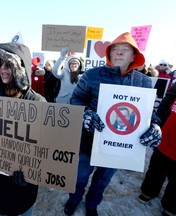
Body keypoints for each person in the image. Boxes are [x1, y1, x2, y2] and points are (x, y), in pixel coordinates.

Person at [66, 32, 162, 216]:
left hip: (120, 145)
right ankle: (74, 198)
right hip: (88, 141)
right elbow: (76, 98)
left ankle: (92, 204)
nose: (118, 53)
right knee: (80, 177)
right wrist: (85, 113)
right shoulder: (92, 75)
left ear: (134, 56)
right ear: (109, 54)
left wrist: (155, 126)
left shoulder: (143, 81)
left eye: (124, 49)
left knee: (102, 180)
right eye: (115, 49)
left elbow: (149, 112)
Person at [0, 42, 46, 215]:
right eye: (1, 64)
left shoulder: (37, 102)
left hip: (24, 182)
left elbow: (43, 146)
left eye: (9, 65)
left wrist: (30, 173)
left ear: (21, 68)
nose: (3, 70)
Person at [138, 83, 176, 216]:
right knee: (157, 167)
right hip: (168, 135)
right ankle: (149, 191)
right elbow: (167, 101)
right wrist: (159, 120)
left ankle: (171, 205)